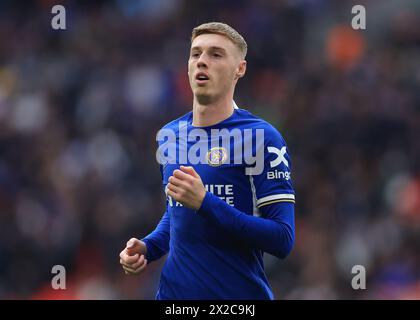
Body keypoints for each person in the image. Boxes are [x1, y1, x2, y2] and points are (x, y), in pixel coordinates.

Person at [119, 22, 295, 300]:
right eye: (196, 54)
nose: (202, 61)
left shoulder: (261, 137)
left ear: (240, 69)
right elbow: (177, 212)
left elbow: (282, 239)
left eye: (216, 54)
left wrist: (206, 202)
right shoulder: (170, 135)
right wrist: (148, 247)